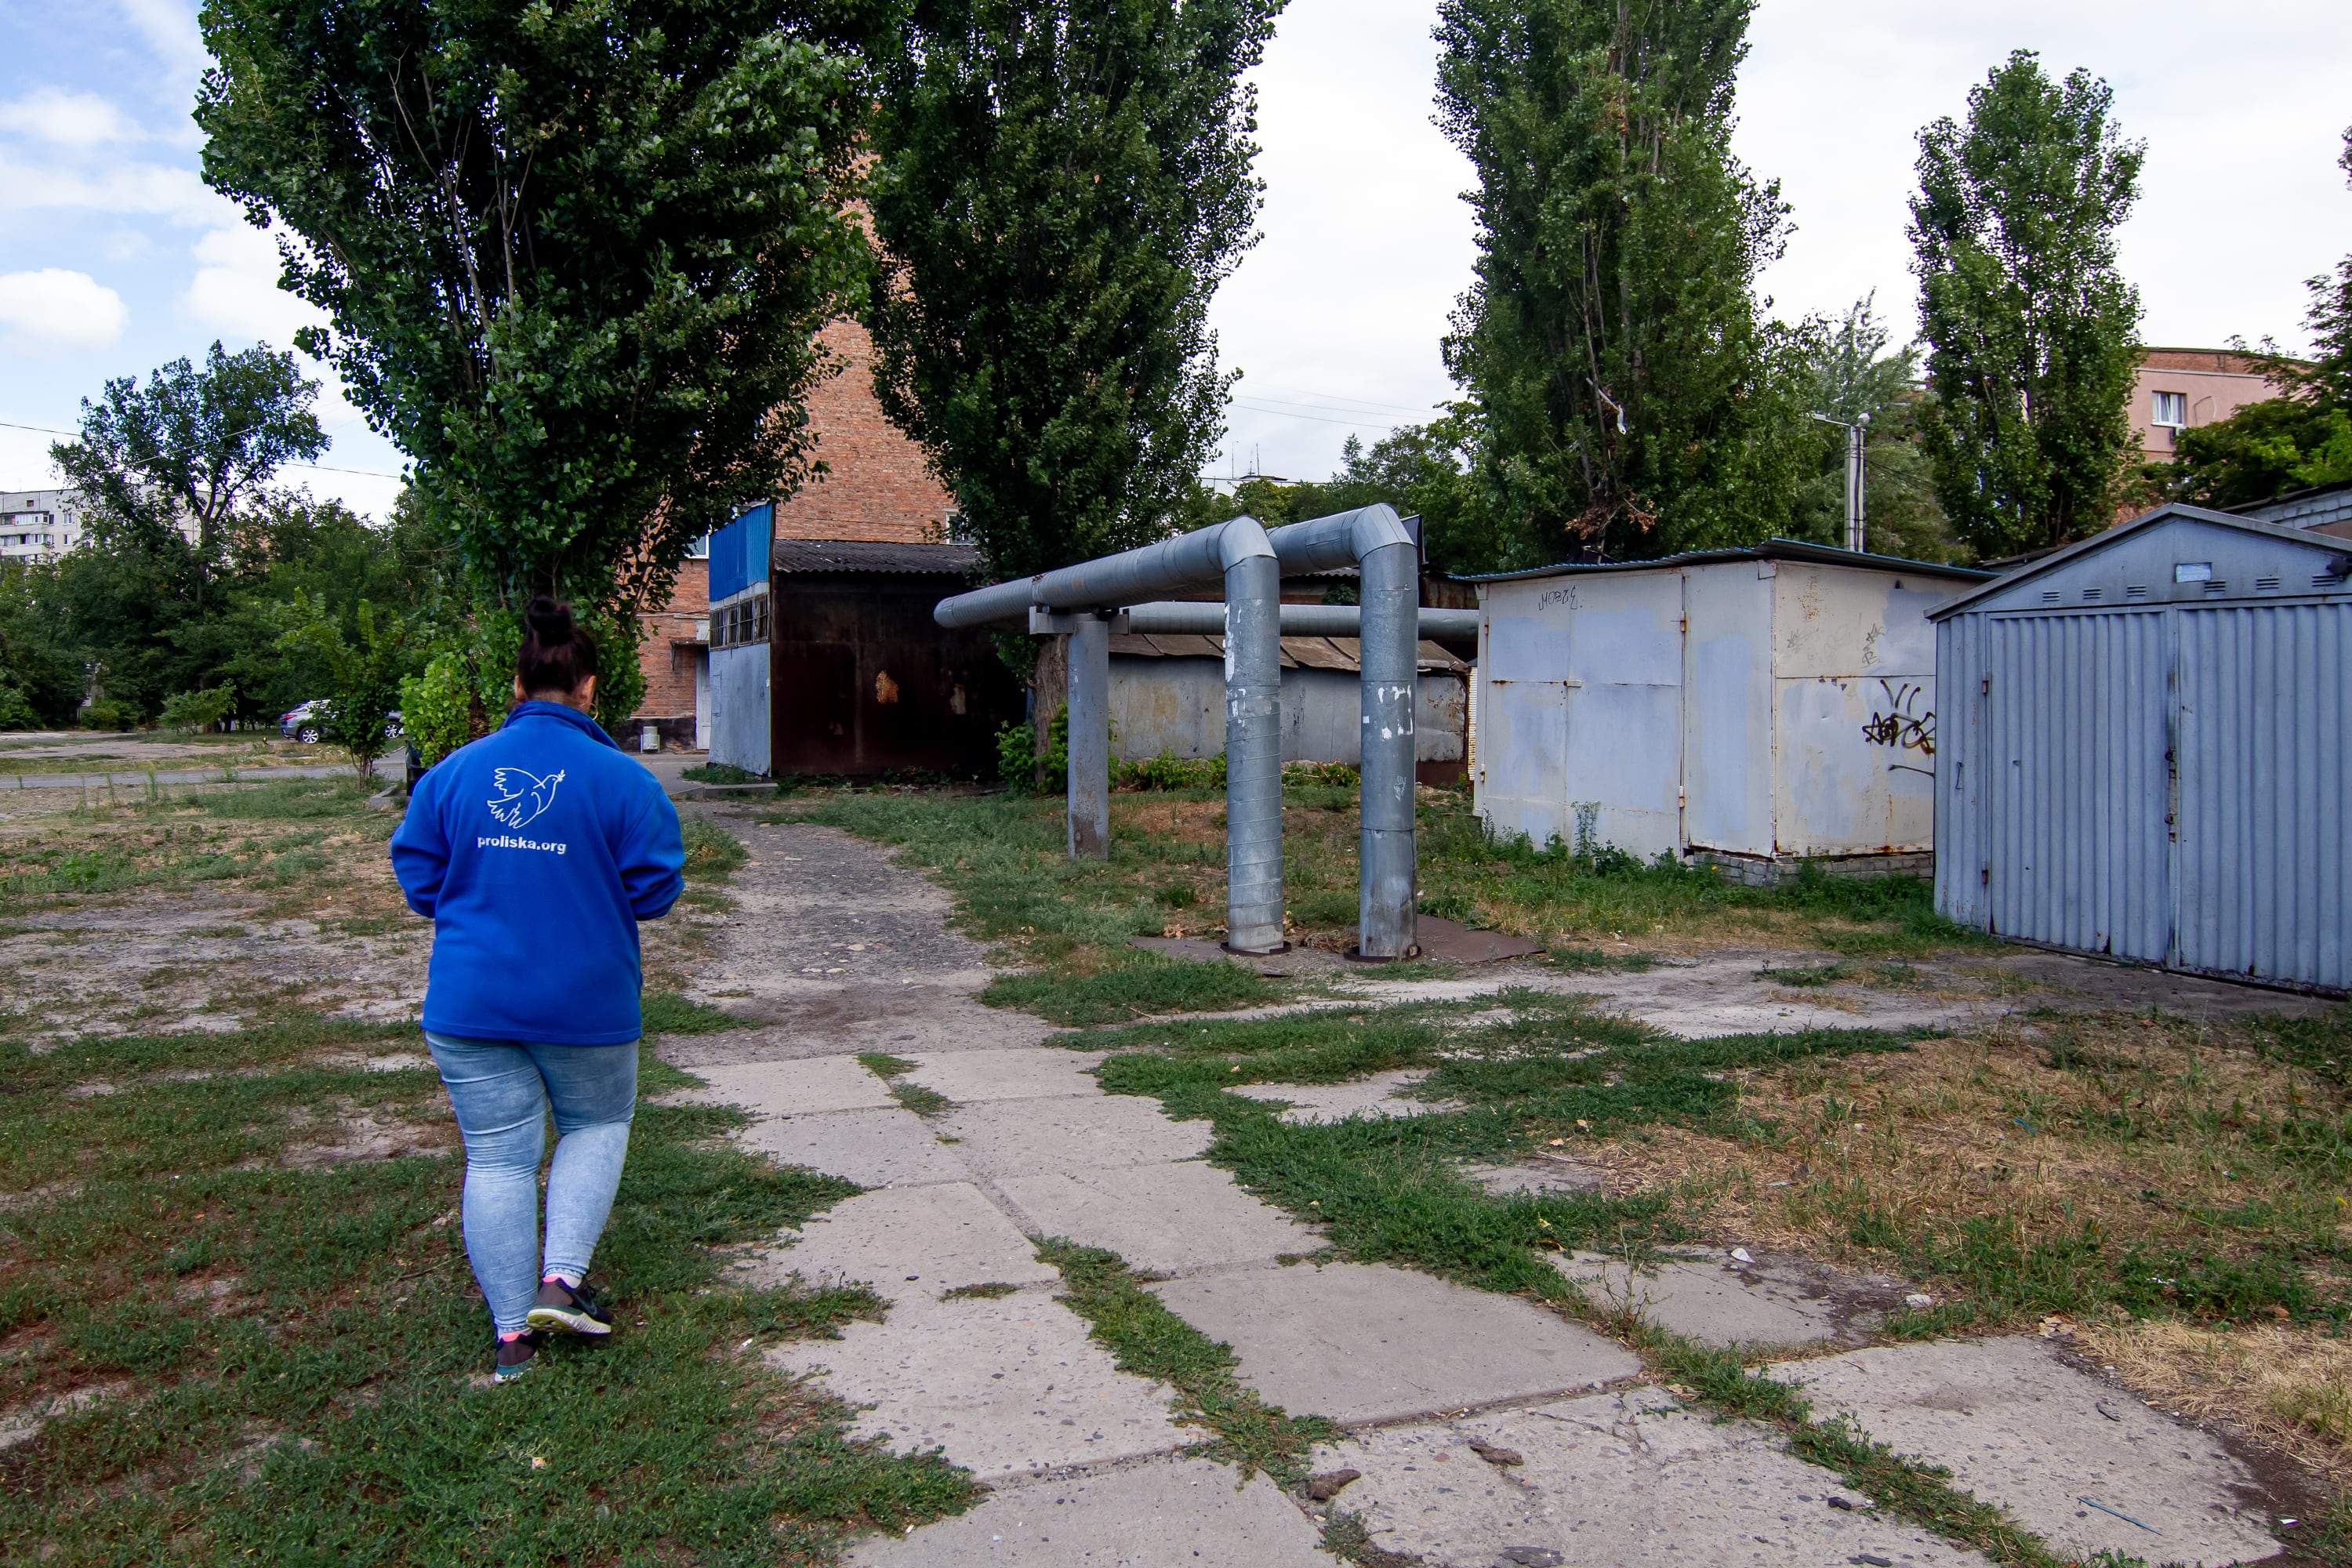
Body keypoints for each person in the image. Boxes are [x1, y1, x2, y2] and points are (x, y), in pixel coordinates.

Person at [390, 596, 685, 1381]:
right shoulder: (625, 780)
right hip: (586, 997)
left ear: (514, 685)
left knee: (496, 1156)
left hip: (469, 999)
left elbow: (418, 874)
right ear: (590, 688)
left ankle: (511, 1335)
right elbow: (655, 888)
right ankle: (563, 1278)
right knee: (595, 1122)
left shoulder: (452, 774)